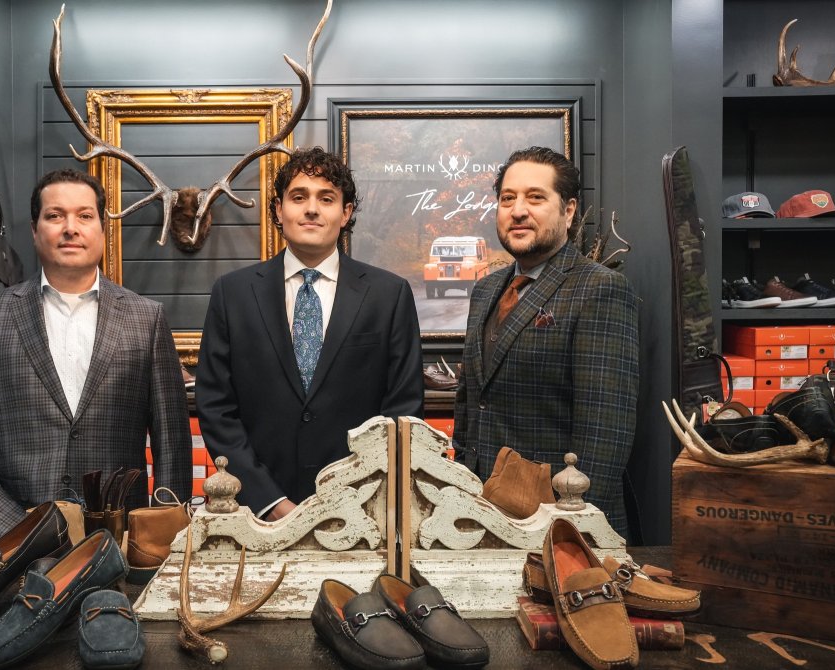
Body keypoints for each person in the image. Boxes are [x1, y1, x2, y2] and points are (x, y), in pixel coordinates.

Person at [0, 169, 192, 539]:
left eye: (85, 216)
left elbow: (172, 444)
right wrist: (7, 525)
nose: (71, 228)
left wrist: (161, 538)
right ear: (35, 230)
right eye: (55, 215)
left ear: (102, 229)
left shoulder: (146, 319)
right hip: (18, 544)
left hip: (118, 540)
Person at [195, 146, 424, 520]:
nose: (312, 209)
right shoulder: (232, 294)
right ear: (278, 210)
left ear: (345, 212)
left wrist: (354, 500)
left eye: (326, 198)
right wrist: (268, 501)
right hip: (256, 513)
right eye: (298, 197)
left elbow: (402, 412)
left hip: (361, 513)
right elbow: (216, 407)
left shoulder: (389, 295)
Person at [452, 146, 639, 536]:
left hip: (557, 521)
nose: (518, 210)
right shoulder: (485, 291)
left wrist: (575, 533)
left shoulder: (600, 288)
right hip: (481, 513)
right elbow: (472, 405)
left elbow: (605, 432)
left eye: (535, 197)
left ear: (568, 211)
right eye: (508, 199)